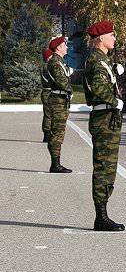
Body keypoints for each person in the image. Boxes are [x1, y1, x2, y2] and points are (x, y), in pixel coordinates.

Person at [83, 21, 126, 232]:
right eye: (111, 35)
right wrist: (114, 100)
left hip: (108, 118)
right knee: (103, 167)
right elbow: (99, 89)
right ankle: (101, 216)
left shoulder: (103, 61)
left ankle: (103, 213)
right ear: (100, 38)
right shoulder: (96, 61)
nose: (114, 39)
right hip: (103, 117)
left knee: (108, 167)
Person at [45, 36, 72, 173]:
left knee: (59, 132)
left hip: (61, 99)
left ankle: (56, 163)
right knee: (57, 133)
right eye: (64, 45)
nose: (67, 47)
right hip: (58, 100)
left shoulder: (60, 61)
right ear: (58, 48)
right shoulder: (55, 62)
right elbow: (62, 81)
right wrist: (70, 89)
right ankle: (55, 164)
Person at [39, 48, 53, 143]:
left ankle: (47, 132)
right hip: (48, 92)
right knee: (49, 114)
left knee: (47, 114)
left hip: (46, 92)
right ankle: (47, 133)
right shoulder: (47, 67)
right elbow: (51, 80)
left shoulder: (45, 66)